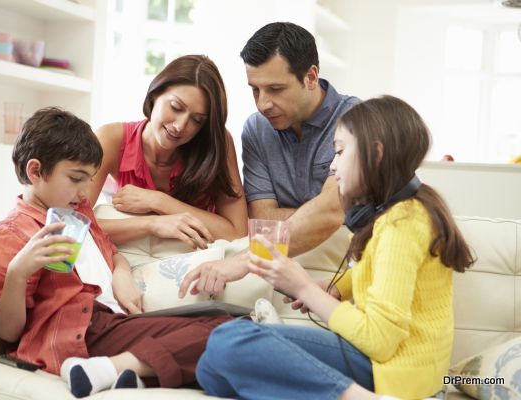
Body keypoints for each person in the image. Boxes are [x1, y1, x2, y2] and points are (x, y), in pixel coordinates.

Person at [195, 96, 476, 400]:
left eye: (340, 151)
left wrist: (304, 288)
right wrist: (337, 288)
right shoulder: (403, 215)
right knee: (211, 372)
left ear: (376, 154)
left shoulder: (402, 224)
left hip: (393, 375)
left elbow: (380, 340)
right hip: (388, 368)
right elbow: (389, 273)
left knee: (228, 340)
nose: (332, 164)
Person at [0, 107, 232, 398]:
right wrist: (18, 272)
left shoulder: (78, 212)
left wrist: (122, 273)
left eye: (89, 180)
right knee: (227, 333)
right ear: (36, 171)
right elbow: (9, 333)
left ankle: (128, 376)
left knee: (229, 326)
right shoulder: (13, 232)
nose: (83, 192)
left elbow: (110, 251)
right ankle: (106, 370)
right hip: (82, 327)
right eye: (76, 178)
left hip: (113, 321)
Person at [179, 22, 358, 298]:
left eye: (275, 89)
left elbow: (332, 211)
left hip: (340, 276)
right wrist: (319, 212)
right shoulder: (256, 128)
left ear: (310, 77)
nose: (263, 104)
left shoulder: (357, 120)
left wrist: (241, 261)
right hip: (278, 270)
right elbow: (262, 218)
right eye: (255, 90)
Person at [88, 55, 247, 250]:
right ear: (155, 94)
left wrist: (158, 201)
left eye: (197, 120)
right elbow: (73, 221)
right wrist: (152, 224)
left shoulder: (217, 142)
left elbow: (237, 232)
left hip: (198, 260)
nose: (180, 126)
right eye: (176, 107)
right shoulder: (111, 138)